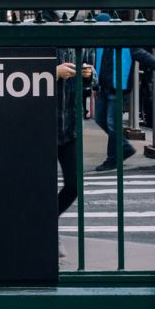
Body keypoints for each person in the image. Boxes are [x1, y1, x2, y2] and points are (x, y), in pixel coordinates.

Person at [91, 13, 155, 171]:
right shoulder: (99, 43)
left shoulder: (124, 41)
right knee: (101, 119)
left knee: (111, 123)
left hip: (118, 87)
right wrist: (95, 86)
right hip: (104, 87)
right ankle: (125, 147)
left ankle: (113, 158)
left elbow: (143, 55)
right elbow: (97, 65)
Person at [55, 45, 87, 217]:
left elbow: (91, 79)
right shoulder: (38, 30)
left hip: (70, 126)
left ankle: (46, 220)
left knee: (74, 185)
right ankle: (42, 227)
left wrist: (89, 74)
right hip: (44, 126)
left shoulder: (78, 39)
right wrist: (54, 72)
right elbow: (24, 73)